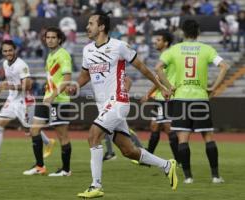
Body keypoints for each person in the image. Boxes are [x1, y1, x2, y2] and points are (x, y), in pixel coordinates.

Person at [68, 11, 178, 198]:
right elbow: (86, 75)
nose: (87, 27)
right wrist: (76, 86)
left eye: (91, 23)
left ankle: (96, 186)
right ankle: (167, 165)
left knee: (93, 136)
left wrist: (161, 86)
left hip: (118, 101)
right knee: (128, 151)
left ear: (102, 27)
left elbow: (142, 68)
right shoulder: (87, 50)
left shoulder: (119, 46)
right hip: (104, 105)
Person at [155, 19, 229, 184]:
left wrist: (169, 87)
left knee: (183, 138)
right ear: (198, 33)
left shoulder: (174, 49)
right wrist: (214, 87)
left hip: (181, 98)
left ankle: (188, 177)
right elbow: (225, 66)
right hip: (200, 98)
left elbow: (158, 67)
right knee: (208, 137)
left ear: (182, 32)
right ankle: (216, 176)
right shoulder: (206, 49)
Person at [0, 40, 51, 168]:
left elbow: (28, 85)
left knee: (30, 130)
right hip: (12, 99)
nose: (8, 53)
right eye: (5, 51)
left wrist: (8, 86)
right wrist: (0, 86)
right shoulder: (5, 64)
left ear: (15, 50)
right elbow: (10, 81)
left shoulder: (21, 65)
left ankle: (48, 143)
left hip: (24, 101)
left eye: (10, 50)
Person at [23, 27, 73, 176]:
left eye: (53, 37)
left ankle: (66, 170)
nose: (50, 40)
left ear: (59, 39)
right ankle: (40, 166)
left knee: (62, 135)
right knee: (34, 130)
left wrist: (53, 96)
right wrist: (47, 95)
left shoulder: (63, 55)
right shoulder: (50, 56)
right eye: (48, 37)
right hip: (47, 99)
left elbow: (67, 80)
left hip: (59, 101)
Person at [141, 30, 179, 164]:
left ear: (165, 43)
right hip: (160, 98)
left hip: (166, 99)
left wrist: (147, 93)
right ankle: (148, 158)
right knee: (155, 126)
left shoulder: (167, 56)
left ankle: (179, 160)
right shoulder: (168, 55)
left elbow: (159, 79)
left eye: (158, 40)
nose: (155, 42)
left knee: (168, 128)